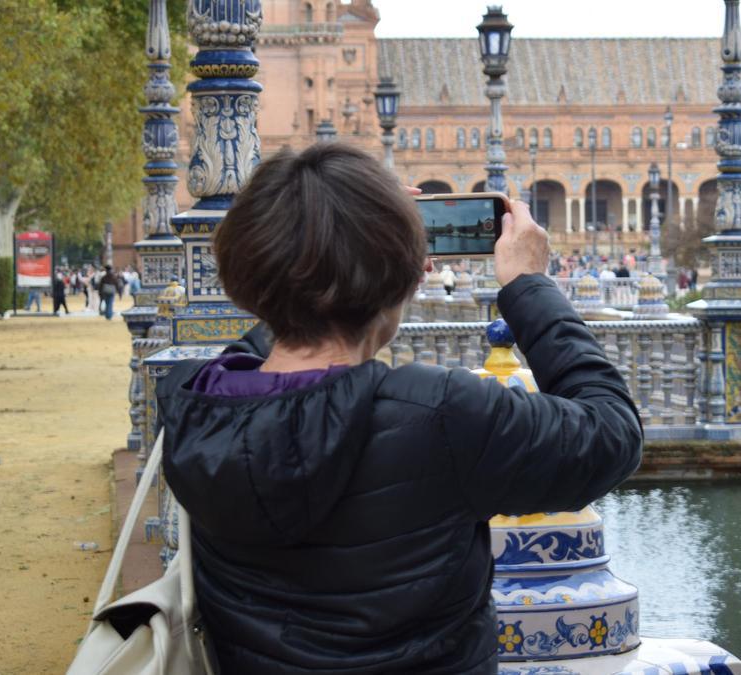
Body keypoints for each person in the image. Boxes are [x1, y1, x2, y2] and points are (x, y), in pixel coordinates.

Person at [155, 143, 642, 675]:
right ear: (402, 279)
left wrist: (344, 249)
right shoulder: (443, 415)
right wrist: (528, 285)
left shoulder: (193, 405)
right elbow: (612, 433)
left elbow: (279, 328)